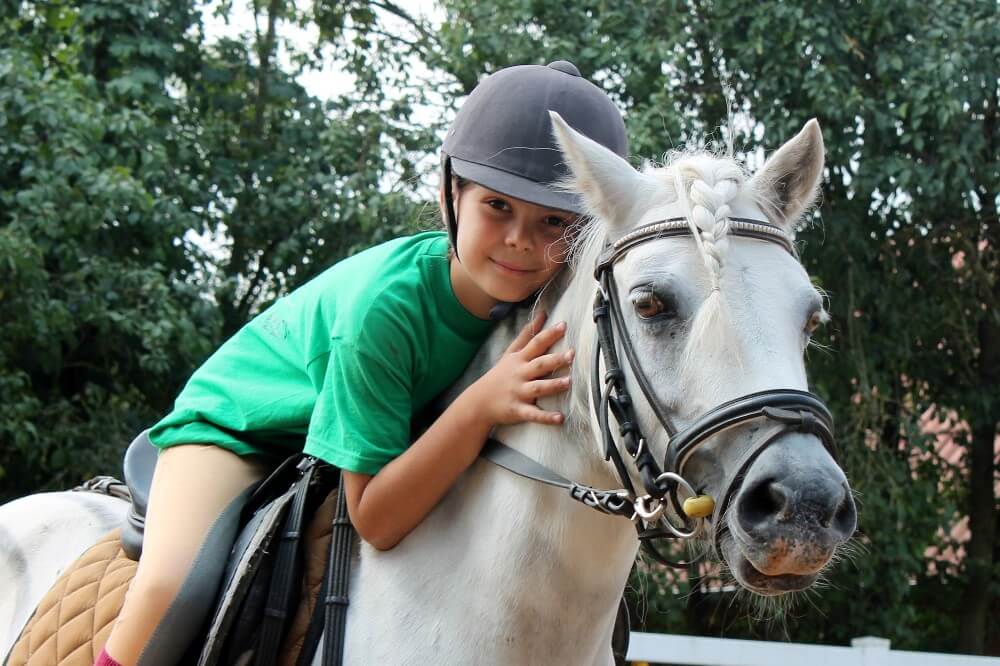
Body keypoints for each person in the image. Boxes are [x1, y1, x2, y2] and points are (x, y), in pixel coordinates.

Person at [97, 60, 628, 666]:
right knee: (175, 586)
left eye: (554, 221)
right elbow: (372, 518)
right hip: (237, 429)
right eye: (498, 206)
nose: (520, 240)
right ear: (450, 192)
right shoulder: (386, 311)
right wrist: (480, 404)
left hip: (347, 437)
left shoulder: (543, 305)